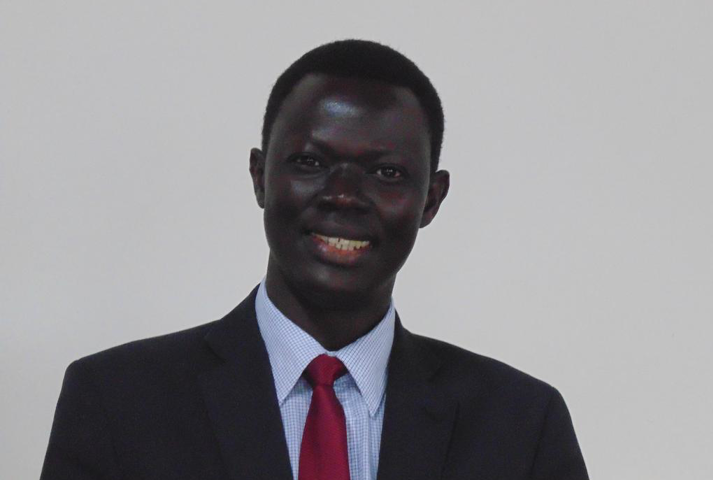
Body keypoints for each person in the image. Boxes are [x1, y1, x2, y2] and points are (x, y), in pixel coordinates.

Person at [40, 40, 589, 480]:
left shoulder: (522, 425)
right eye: (310, 162)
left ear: (431, 200)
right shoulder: (116, 402)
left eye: (387, 173)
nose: (343, 196)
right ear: (260, 177)